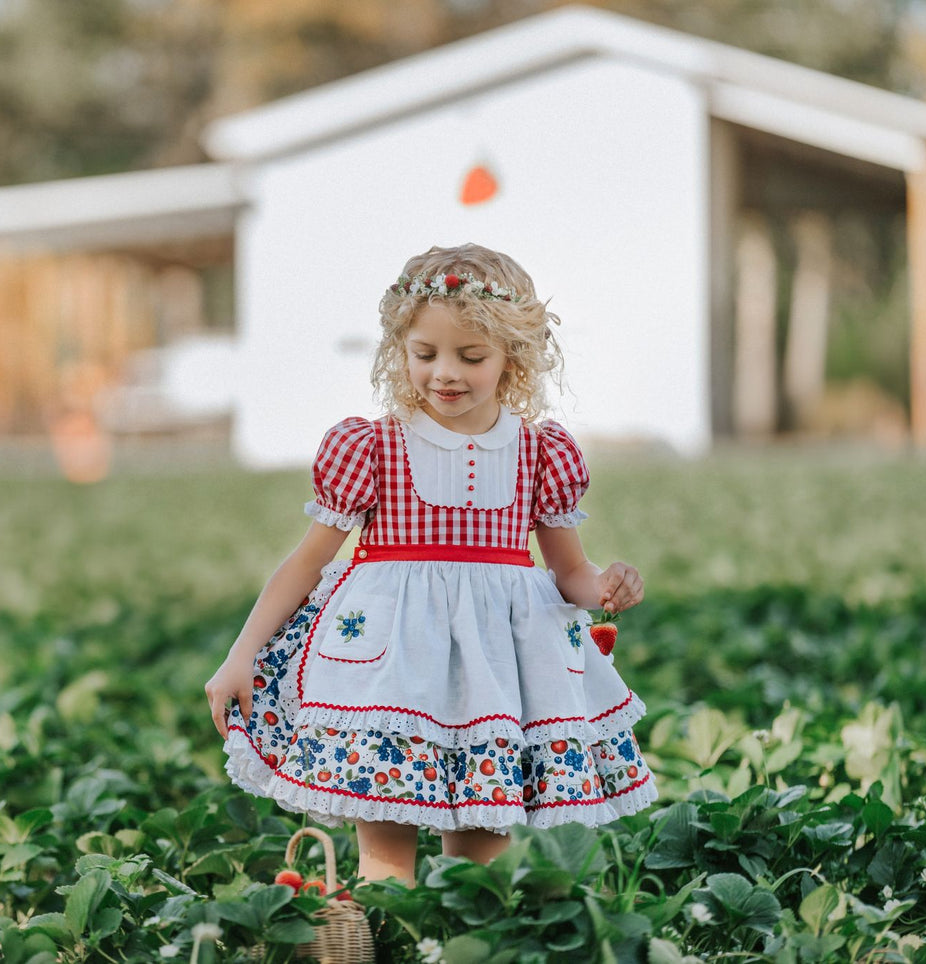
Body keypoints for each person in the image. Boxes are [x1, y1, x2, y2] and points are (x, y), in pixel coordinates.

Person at [205, 244, 658, 885]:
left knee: (478, 861)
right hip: (388, 674)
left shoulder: (539, 452)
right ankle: (391, 943)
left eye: (470, 357)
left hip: (494, 679)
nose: (445, 372)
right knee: (386, 860)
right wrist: (240, 655)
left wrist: (606, 584)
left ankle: (460, 949)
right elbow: (305, 565)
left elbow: (570, 576)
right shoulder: (374, 447)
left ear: (513, 357)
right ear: (402, 349)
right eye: (425, 354)